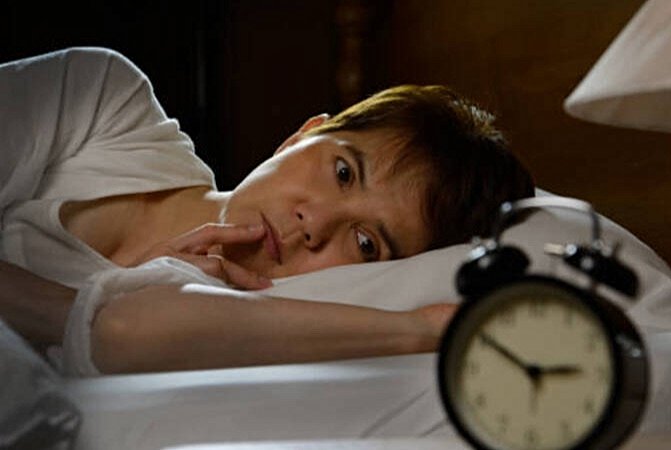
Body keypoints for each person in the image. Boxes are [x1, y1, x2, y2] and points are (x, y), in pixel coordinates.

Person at [0, 47, 535, 375]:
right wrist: (77, 313)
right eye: (343, 172)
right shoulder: (105, 102)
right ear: (301, 135)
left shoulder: (212, 326)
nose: (316, 224)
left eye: (365, 243)